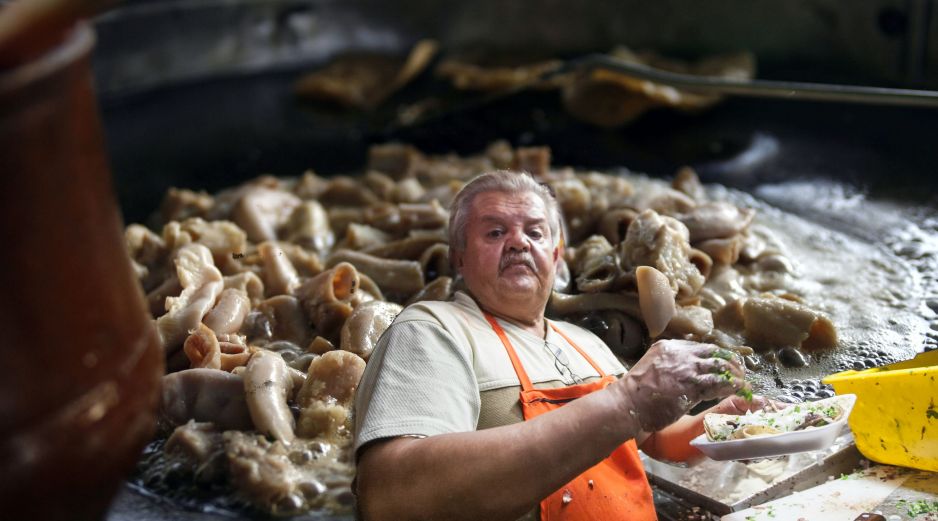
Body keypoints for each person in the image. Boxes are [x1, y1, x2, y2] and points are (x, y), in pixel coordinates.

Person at [353, 170, 767, 521]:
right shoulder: (432, 329)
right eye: (495, 232)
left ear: (556, 254)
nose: (518, 242)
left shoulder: (583, 342)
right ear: (458, 257)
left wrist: (724, 422)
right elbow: (392, 493)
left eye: (534, 231)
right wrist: (626, 401)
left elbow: (654, 440)